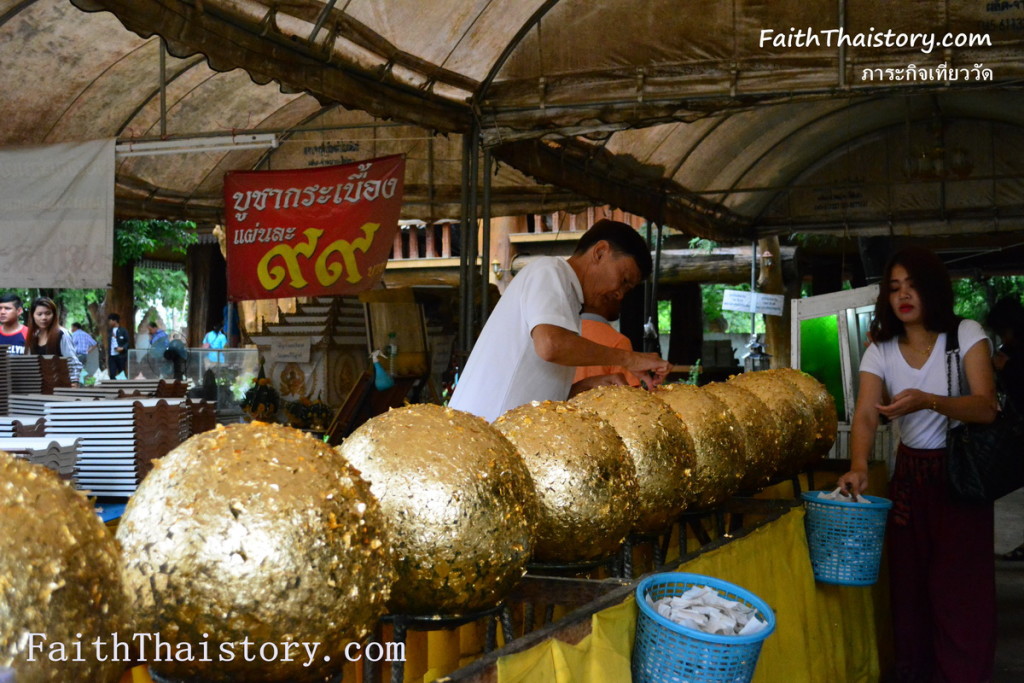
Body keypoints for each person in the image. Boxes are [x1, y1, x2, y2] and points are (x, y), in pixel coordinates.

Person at [837, 246, 998, 682]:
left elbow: (986, 407)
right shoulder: (881, 350)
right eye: (893, 288)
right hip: (910, 478)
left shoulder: (965, 333)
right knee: (910, 588)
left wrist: (928, 401)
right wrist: (858, 466)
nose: (903, 295)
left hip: (959, 477)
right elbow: (867, 413)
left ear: (932, 289)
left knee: (959, 589)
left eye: (912, 285)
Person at [448, 219, 672, 422]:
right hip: (483, 433)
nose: (620, 294)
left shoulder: (569, 298)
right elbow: (551, 346)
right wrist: (630, 359)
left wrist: (583, 387)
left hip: (501, 433)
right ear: (601, 252)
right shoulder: (551, 271)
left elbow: (531, 384)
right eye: (623, 280)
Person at [987, 296, 1024, 561]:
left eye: (1003, 332)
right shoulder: (1010, 350)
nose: (1004, 337)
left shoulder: (1015, 355)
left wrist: (1006, 368)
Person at [573, 295, 641, 388]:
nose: (620, 299)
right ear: (605, 298)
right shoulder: (618, 341)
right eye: (616, 295)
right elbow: (630, 393)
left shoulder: (563, 335)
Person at [26, 297, 82, 382]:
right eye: (39, 314)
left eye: (48, 313)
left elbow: (72, 362)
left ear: (54, 314)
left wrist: (74, 382)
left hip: (60, 386)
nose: (44, 317)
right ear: (33, 316)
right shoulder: (34, 336)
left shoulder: (61, 334)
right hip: (39, 387)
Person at [107, 313, 129, 379]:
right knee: (112, 373)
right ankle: (112, 388)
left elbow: (127, 342)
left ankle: (122, 387)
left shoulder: (123, 330)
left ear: (114, 321)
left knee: (121, 373)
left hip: (121, 355)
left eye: (110, 320)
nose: (109, 322)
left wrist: (122, 348)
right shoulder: (109, 331)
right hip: (112, 355)